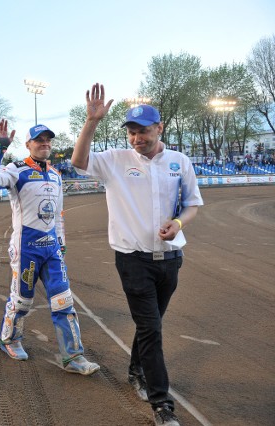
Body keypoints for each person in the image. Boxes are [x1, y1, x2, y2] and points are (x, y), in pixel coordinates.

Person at [70, 84, 203, 426]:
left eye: (142, 131)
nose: (136, 138)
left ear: (159, 128)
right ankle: (162, 405)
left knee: (151, 326)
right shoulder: (115, 161)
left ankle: (135, 370)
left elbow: (191, 205)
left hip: (170, 259)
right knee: (151, 329)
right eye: (131, 132)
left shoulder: (179, 162)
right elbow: (78, 161)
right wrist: (90, 122)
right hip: (133, 259)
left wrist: (177, 223)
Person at [0, 119, 100, 376]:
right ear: (28, 144)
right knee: (23, 300)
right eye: (39, 139)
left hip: (52, 249)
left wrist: (61, 243)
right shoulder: (16, 169)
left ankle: (74, 357)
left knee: (63, 301)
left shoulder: (56, 174)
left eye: (48, 139)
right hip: (26, 249)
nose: (45, 143)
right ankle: (10, 339)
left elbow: (58, 214)